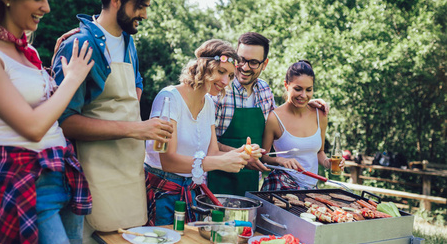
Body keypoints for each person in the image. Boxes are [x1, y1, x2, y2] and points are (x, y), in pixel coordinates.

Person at [52, 0, 173, 244]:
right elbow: (64, 122)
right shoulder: (80, 45)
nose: (144, 14)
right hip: (90, 181)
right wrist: (135, 129)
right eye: (140, 5)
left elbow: (135, 90)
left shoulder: (129, 43)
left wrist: (143, 128)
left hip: (127, 175)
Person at [0, 0, 94, 244]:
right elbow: (33, 126)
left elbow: (45, 112)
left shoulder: (28, 53)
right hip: (26, 179)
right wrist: (72, 78)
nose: (47, 8)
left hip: (61, 173)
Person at [144, 39, 261, 225]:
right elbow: (168, 161)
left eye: (230, 76)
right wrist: (220, 163)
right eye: (221, 72)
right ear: (203, 67)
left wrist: (241, 153)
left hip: (189, 191)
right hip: (161, 192)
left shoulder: (208, 104)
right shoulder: (169, 99)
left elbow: (212, 152)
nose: (225, 81)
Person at [209, 32, 328, 196]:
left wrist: (306, 104)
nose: (244, 67)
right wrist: (241, 156)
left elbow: (281, 119)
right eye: (241, 60)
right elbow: (206, 142)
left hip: (250, 186)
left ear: (264, 64)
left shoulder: (265, 90)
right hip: (215, 183)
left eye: (253, 62)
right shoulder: (219, 90)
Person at [261, 60, 345, 190]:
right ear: (286, 85)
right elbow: (263, 156)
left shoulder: (320, 115)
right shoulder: (274, 118)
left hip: (311, 188)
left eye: (309, 90)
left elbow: (319, 153)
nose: (304, 95)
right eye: (298, 89)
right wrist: (280, 160)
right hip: (282, 184)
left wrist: (328, 163)